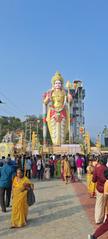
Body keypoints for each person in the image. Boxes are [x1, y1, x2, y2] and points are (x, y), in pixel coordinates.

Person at [43, 72, 72, 145]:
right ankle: (55, 143)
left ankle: (61, 143)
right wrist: (47, 97)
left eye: (59, 83)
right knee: (54, 129)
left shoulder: (64, 92)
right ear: (53, 84)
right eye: (56, 83)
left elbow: (69, 101)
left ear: (61, 84)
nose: (58, 85)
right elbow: (45, 102)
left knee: (62, 128)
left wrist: (69, 96)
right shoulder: (50, 92)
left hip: (62, 111)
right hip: (53, 111)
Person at [88, 168, 108, 238]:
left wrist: (104, 207)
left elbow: (105, 197)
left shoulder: (106, 183)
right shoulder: (106, 184)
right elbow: (105, 197)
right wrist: (105, 208)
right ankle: (94, 236)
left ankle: (94, 236)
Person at [92, 156, 107, 224]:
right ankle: (104, 218)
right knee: (106, 205)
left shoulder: (96, 168)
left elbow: (94, 180)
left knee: (99, 204)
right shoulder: (106, 169)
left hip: (99, 189)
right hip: (106, 188)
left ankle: (98, 219)